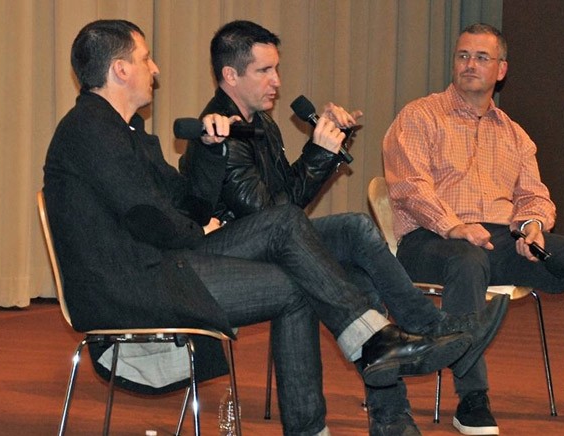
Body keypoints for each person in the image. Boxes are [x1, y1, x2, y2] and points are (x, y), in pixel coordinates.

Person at [43, 19, 503, 436]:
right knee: (291, 234)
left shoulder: (128, 132)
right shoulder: (90, 129)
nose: (155, 68)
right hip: (133, 284)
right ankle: (380, 346)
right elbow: (148, 218)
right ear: (120, 69)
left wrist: (210, 148)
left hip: (162, 266)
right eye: (146, 59)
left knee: (306, 275)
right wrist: (197, 233)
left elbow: (190, 201)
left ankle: (332, 407)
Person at [178, 20, 509, 436]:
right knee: (348, 239)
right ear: (231, 75)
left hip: (274, 239)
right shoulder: (219, 133)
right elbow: (268, 216)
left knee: (356, 253)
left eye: (277, 69)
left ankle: (404, 379)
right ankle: (410, 352)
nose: (277, 81)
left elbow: (288, 204)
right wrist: (319, 152)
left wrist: (329, 147)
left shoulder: (262, 125)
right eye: (265, 71)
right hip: (232, 256)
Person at [382, 22, 564, 435]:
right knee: (468, 258)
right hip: (431, 240)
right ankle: (472, 398)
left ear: (501, 70)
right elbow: (409, 187)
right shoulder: (420, 116)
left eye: (481, 57)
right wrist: (455, 226)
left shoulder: (513, 134)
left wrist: (532, 226)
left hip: (500, 240)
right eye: (463, 56)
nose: (469, 64)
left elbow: (534, 195)